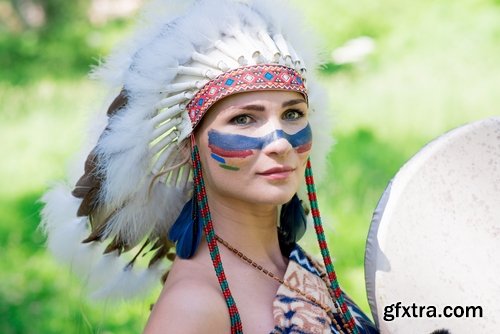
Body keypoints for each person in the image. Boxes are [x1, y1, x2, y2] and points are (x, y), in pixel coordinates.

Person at [41, 0, 379, 333]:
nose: (280, 142)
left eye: (292, 114)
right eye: (244, 118)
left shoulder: (285, 258)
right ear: (190, 146)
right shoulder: (191, 310)